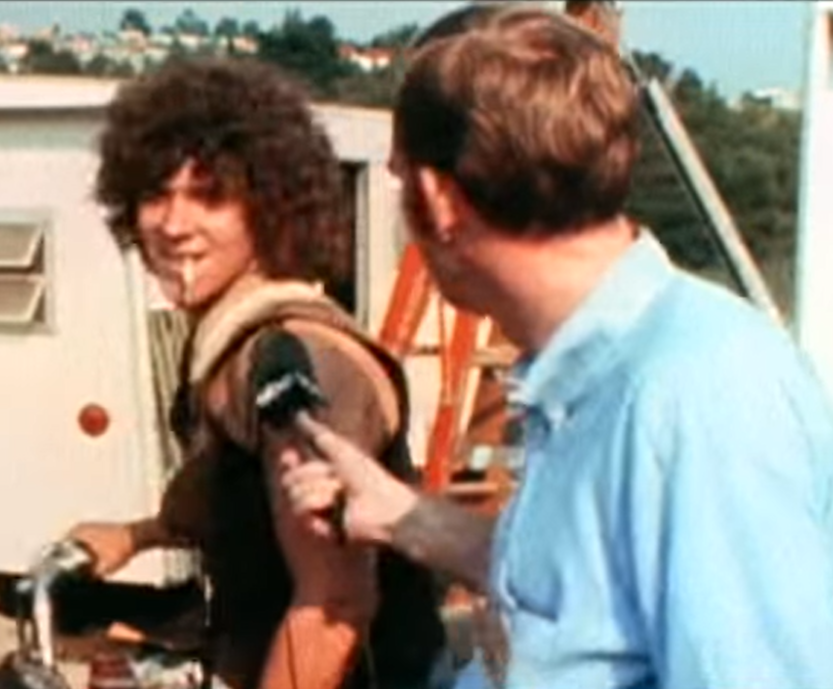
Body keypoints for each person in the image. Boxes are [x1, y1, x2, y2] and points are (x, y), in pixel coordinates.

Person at [279, 6, 833, 688]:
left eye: (401, 180)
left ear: (438, 198)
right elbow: (593, 588)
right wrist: (405, 516)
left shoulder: (696, 394)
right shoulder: (602, 375)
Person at [66, 57, 448, 689]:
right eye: (155, 196)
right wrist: (137, 535)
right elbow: (235, 489)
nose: (174, 224)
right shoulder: (231, 344)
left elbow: (336, 604)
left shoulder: (290, 356)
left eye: (209, 196)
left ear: (269, 208)